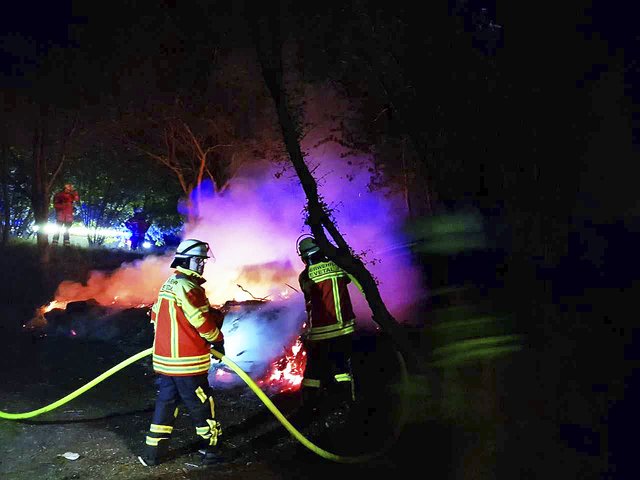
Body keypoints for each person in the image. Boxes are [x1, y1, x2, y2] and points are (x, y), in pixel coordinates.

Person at [138, 238, 227, 467]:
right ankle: (211, 452)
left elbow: (155, 317)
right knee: (202, 405)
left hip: (166, 364)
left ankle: (153, 454)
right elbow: (201, 322)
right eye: (198, 260)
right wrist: (217, 339)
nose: (202, 265)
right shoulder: (190, 287)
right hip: (188, 364)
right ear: (186, 260)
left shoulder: (169, 284)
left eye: (202, 260)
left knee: (165, 405)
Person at [297, 235, 362, 411]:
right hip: (344, 328)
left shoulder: (305, 276)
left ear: (304, 256)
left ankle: (309, 406)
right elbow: (348, 279)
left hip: (320, 332)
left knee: (313, 371)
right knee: (342, 367)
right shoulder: (338, 265)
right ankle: (348, 401)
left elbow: (308, 293)